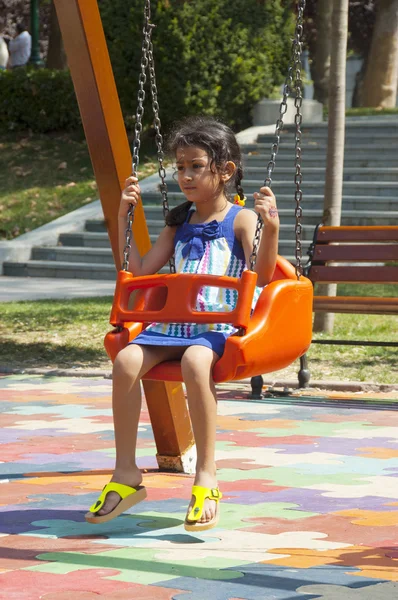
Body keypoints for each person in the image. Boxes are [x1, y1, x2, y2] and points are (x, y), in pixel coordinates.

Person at [85, 116, 280, 531]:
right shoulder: (179, 223)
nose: (185, 175)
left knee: (195, 363)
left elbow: (263, 276)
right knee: (124, 362)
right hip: (173, 323)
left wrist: (273, 228)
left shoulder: (242, 219)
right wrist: (122, 219)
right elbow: (137, 270)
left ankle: (206, 475)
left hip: (216, 323)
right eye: (180, 166)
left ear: (225, 170)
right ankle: (126, 475)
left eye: (195, 165)